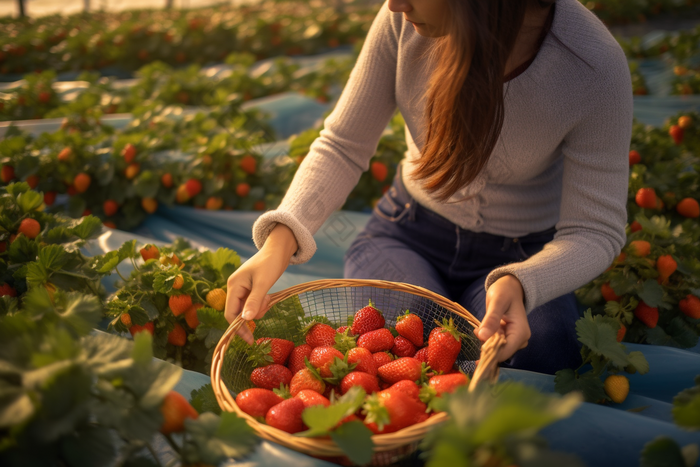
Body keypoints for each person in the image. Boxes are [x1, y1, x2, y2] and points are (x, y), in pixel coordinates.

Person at [224, 0, 633, 374]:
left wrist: (524, 283)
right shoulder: (400, 24)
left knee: (543, 350)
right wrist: (279, 242)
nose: (393, 3)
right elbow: (343, 144)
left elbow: (594, 229)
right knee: (396, 338)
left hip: (524, 254)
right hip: (409, 232)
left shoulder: (592, 66)